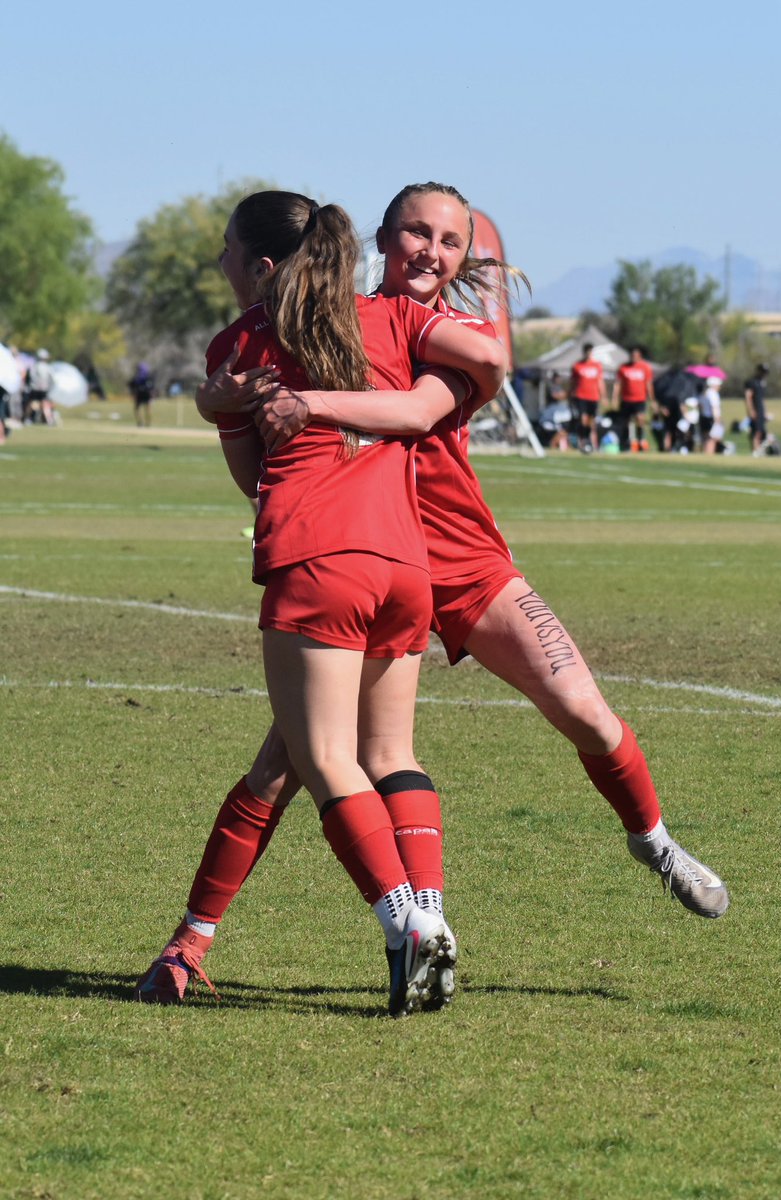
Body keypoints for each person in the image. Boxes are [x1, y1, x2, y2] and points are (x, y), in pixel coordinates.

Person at [164, 182, 729, 1014]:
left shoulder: (437, 338)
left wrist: (281, 403)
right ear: (382, 241)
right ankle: (199, 942)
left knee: (582, 712)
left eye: (450, 241)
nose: (431, 251)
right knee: (290, 762)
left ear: (466, 256)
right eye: (415, 234)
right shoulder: (345, 315)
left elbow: (422, 403)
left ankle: (653, 842)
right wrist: (227, 395)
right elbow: (251, 393)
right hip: (385, 559)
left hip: (460, 566)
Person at [135, 189, 508, 1017]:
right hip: (406, 567)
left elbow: (250, 480)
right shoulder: (391, 320)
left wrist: (223, 407)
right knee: (374, 751)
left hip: (316, 559)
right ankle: (193, 946)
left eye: (228, 248)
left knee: (323, 758)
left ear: (262, 265)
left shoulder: (239, 343)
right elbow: (486, 359)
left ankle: (406, 922)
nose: (219, 261)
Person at [612, 345, 654, 452]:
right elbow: (618, 384)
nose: (633, 357)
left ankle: (641, 441)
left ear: (640, 356)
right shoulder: (623, 368)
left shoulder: (645, 367)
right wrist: (615, 398)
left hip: (639, 399)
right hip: (626, 399)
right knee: (625, 422)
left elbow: (648, 384)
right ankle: (625, 443)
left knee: (640, 419)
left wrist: (652, 399)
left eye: (636, 355)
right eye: (632, 355)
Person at [568, 343, 606, 453]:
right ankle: (583, 439)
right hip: (581, 396)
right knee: (582, 418)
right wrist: (570, 394)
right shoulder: (577, 366)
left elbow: (600, 382)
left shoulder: (597, 365)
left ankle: (589, 440)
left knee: (591, 421)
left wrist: (603, 396)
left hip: (593, 397)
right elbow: (573, 382)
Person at [743, 363, 769, 455]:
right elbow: (748, 397)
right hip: (755, 408)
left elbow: (762, 399)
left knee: (761, 430)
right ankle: (755, 449)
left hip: (761, 409)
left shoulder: (762, 383)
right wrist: (750, 410)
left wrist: (765, 412)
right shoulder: (751, 382)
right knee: (755, 430)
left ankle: (759, 449)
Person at [25, 349, 55, 425]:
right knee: (45, 404)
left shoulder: (35, 366)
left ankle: (27, 419)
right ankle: (49, 420)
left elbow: (32, 377)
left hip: (35, 388)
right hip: (45, 389)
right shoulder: (48, 367)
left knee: (32, 403)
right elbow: (52, 380)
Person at [699, 377, 724, 454]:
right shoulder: (713, 394)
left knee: (705, 437)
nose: (719, 387)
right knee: (712, 438)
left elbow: (700, 405)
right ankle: (709, 454)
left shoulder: (704, 393)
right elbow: (714, 406)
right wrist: (717, 419)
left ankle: (705, 452)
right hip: (712, 418)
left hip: (703, 417)